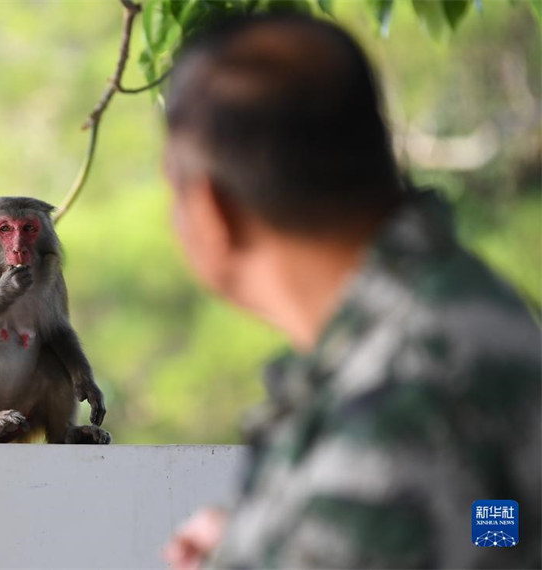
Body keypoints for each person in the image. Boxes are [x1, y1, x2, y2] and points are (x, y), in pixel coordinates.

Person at [160, 12, 541, 570]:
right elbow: (496, 521)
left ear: (212, 211)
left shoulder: (398, 391)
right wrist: (271, 535)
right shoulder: (465, 310)